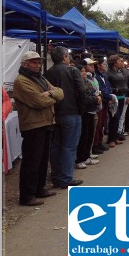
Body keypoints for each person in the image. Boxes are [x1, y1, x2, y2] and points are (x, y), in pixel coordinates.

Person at [13, 51, 64, 205]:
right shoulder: (21, 81)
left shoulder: (39, 78)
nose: (37, 65)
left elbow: (60, 92)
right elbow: (38, 102)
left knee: (42, 160)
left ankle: (39, 189)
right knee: (32, 161)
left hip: (46, 122)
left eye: (38, 62)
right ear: (24, 64)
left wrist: (49, 94)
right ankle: (27, 196)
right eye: (33, 62)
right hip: (33, 125)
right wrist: (52, 96)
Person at [44, 46, 86, 189]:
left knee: (56, 146)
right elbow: (81, 90)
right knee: (68, 146)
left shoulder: (48, 73)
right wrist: (81, 109)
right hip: (71, 112)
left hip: (55, 113)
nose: (69, 58)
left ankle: (56, 176)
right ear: (64, 57)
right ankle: (66, 178)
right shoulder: (72, 70)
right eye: (67, 56)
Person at [75, 63, 101, 169]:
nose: (84, 72)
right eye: (81, 71)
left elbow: (95, 91)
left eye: (84, 70)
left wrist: (98, 96)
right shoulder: (77, 84)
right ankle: (80, 159)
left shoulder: (87, 81)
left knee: (89, 135)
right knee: (83, 136)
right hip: (84, 112)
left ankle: (86, 156)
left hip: (92, 110)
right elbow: (84, 98)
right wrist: (96, 99)